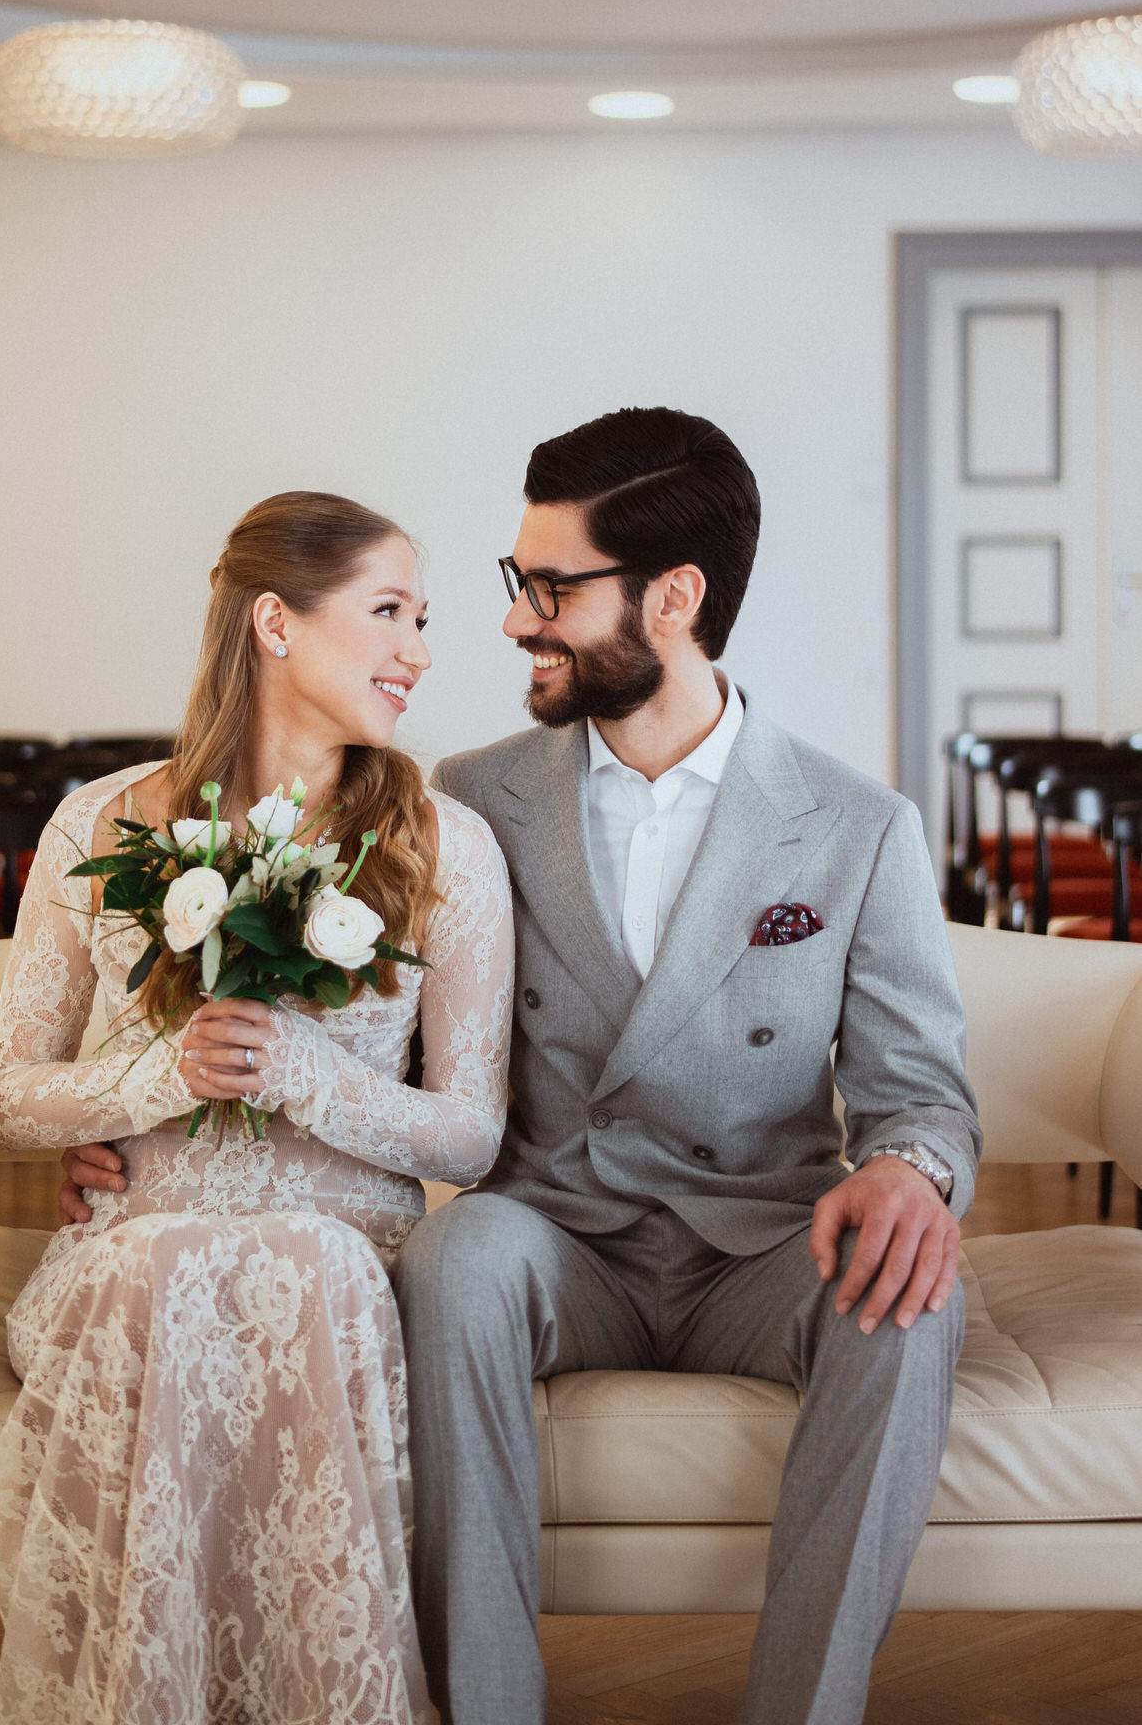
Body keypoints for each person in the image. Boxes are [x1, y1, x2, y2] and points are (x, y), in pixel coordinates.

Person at [63, 408, 981, 1725]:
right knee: (457, 1258)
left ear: (671, 599)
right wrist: (138, 1123)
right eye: (515, 583)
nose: (507, 623)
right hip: (559, 1234)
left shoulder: (855, 826)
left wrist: (907, 1167)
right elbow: (344, 1037)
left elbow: (921, 1090)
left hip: (760, 1241)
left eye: (548, 589)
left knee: (910, 1297)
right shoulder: (464, 800)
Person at [0, 491, 514, 1725]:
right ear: (275, 620)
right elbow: (10, 1090)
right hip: (131, 1259)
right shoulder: (100, 822)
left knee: (304, 1267)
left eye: (421, 617)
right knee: (160, 1267)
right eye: (389, 611)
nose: (420, 648)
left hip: (344, 1267)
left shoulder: (449, 847)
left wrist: (306, 1077)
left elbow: (471, 1133)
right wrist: (167, 1074)